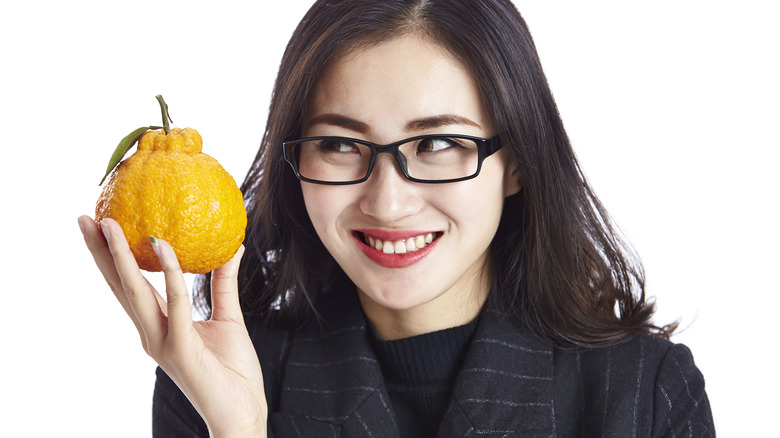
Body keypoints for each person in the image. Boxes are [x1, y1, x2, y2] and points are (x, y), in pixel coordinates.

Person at [78, 0, 715, 436]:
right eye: (341, 144)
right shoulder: (215, 384)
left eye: (437, 143)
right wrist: (240, 429)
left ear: (516, 161)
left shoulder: (645, 395)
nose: (387, 202)